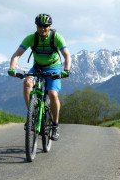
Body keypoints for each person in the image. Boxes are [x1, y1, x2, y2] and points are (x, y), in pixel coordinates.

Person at [8, 13, 72, 141]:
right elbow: (16, 55)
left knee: (53, 94)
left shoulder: (56, 37)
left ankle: (55, 125)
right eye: (40, 26)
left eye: (45, 26)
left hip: (53, 67)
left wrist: (66, 70)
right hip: (37, 67)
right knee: (27, 82)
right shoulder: (31, 38)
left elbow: (67, 56)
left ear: (50, 26)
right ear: (36, 26)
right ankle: (31, 115)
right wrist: (12, 68)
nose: (42, 29)